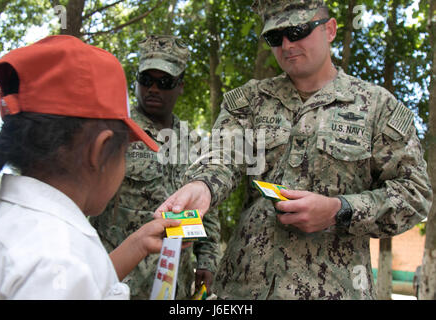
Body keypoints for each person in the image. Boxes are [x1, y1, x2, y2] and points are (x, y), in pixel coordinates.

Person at [155, 0, 432, 299]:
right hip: (244, 291)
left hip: (335, 290)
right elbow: (222, 156)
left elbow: (414, 194)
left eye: (297, 31)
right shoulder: (250, 101)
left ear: (330, 29)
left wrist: (339, 210)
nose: (286, 45)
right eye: (275, 37)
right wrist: (202, 186)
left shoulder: (378, 107)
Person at [0, 35, 183, 299]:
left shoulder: (17, 228)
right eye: (124, 152)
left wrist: (137, 244)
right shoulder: (61, 263)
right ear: (101, 150)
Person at [90, 35, 221, 299]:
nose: (153, 89)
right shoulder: (114, 131)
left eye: (164, 82)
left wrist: (206, 260)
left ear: (180, 86)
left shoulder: (192, 140)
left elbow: (207, 208)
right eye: (146, 80)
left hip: (174, 284)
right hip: (117, 281)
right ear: (135, 81)